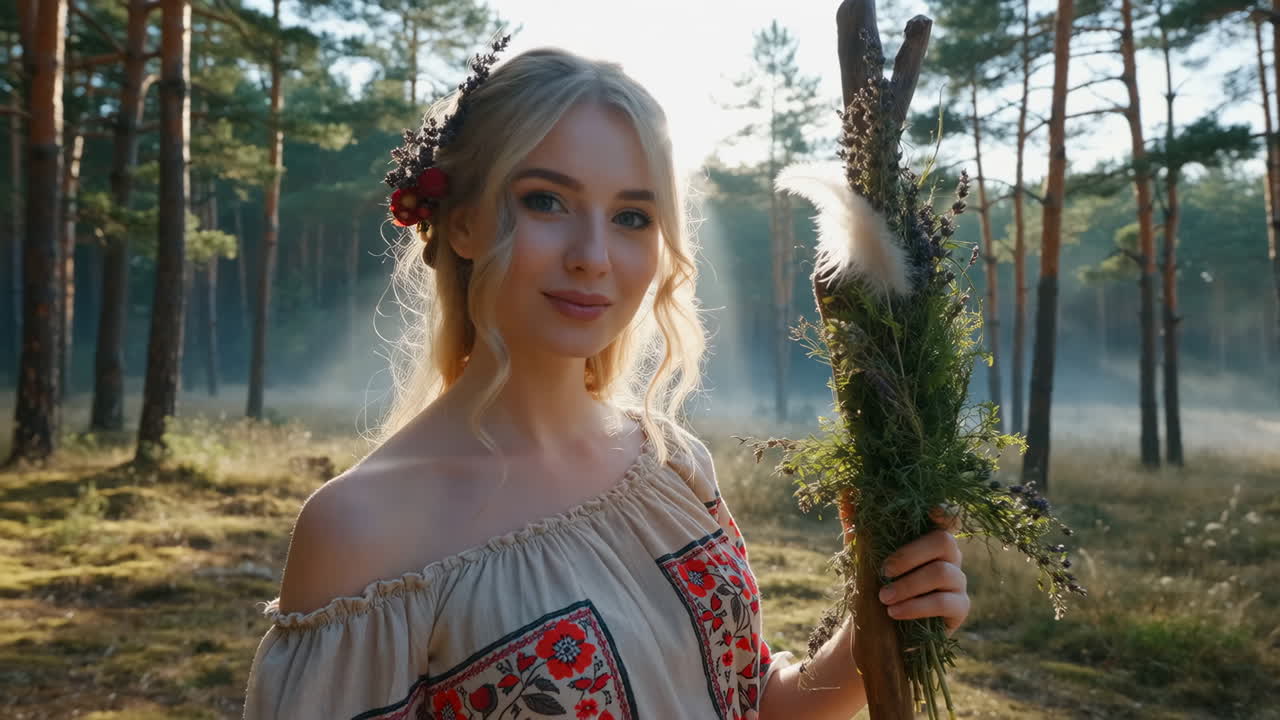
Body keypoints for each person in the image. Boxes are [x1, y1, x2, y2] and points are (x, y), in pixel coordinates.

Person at [242, 41, 970, 720]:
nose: (594, 256)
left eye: (631, 215)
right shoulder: (361, 531)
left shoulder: (671, 465)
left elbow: (753, 705)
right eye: (546, 201)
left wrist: (880, 624)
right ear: (460, 223)